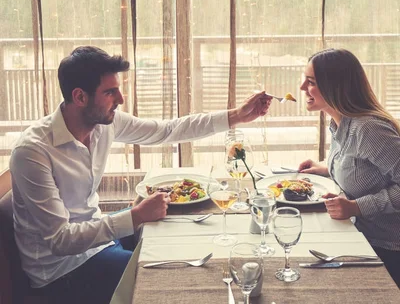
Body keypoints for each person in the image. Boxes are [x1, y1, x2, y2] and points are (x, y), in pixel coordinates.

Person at [10, 46, 271, 304]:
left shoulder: (104, 124)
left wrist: (238, 115)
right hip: (61, 269)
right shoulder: (33, 152)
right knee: (168, 275)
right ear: (80, 97)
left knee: (175, 240)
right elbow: (60, 240)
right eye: (110, 92)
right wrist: (135, 215)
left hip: (95, 238)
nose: (121, 99)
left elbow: (168, 130)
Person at [297, 48, 400, 288]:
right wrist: (326, 167)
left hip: (388, 248)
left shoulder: (368, 130)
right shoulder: (340, 122)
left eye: (310, 82)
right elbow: (362, 166)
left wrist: (356, 207)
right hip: (359, 235)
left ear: (335, 86)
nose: (302, 88)